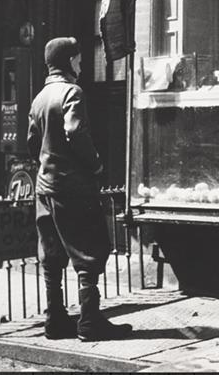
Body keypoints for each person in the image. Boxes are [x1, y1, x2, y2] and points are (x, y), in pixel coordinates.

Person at [27, 37, 132, 341]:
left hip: (44, 187)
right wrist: (95, 164)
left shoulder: (40, 98)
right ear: (70, 61)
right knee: (89, 251)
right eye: (80, 60)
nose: (82, 66)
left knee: (51, 254)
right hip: (71, 186)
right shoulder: (72, 92)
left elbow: (32, 142)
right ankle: (89, 322)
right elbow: (74, 131)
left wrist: (46, 163)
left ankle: (55, 320)